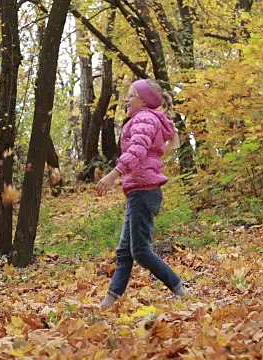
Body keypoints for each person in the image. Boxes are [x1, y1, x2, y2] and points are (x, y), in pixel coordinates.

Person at [96, 78, 188, 309]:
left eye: (131, 95)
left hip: (144, 192)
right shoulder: (144, 119)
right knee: (125, 252)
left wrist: (113, 174)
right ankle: (109, 301)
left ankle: (180, 289)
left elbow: (137, 150)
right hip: (140, 191)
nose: (126, 99)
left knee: (140, 250)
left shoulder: (144, 119)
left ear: (144, 101)